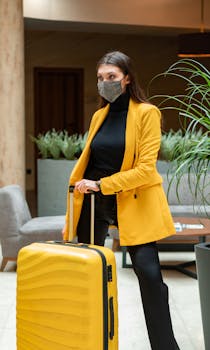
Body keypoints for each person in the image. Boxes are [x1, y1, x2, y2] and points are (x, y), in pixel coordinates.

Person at [63, 51, 180, 350]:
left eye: (112, 77)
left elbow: (145, 170)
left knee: (151, 277)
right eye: (101, 78)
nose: (105, 83)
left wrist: (103, 185)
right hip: (94, 204)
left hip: (131, 200)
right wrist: (84, 185)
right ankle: (90, 341)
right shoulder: (98, 115)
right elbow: (93, 158)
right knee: (88, 274)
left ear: (127, 78)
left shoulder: (146, 113)